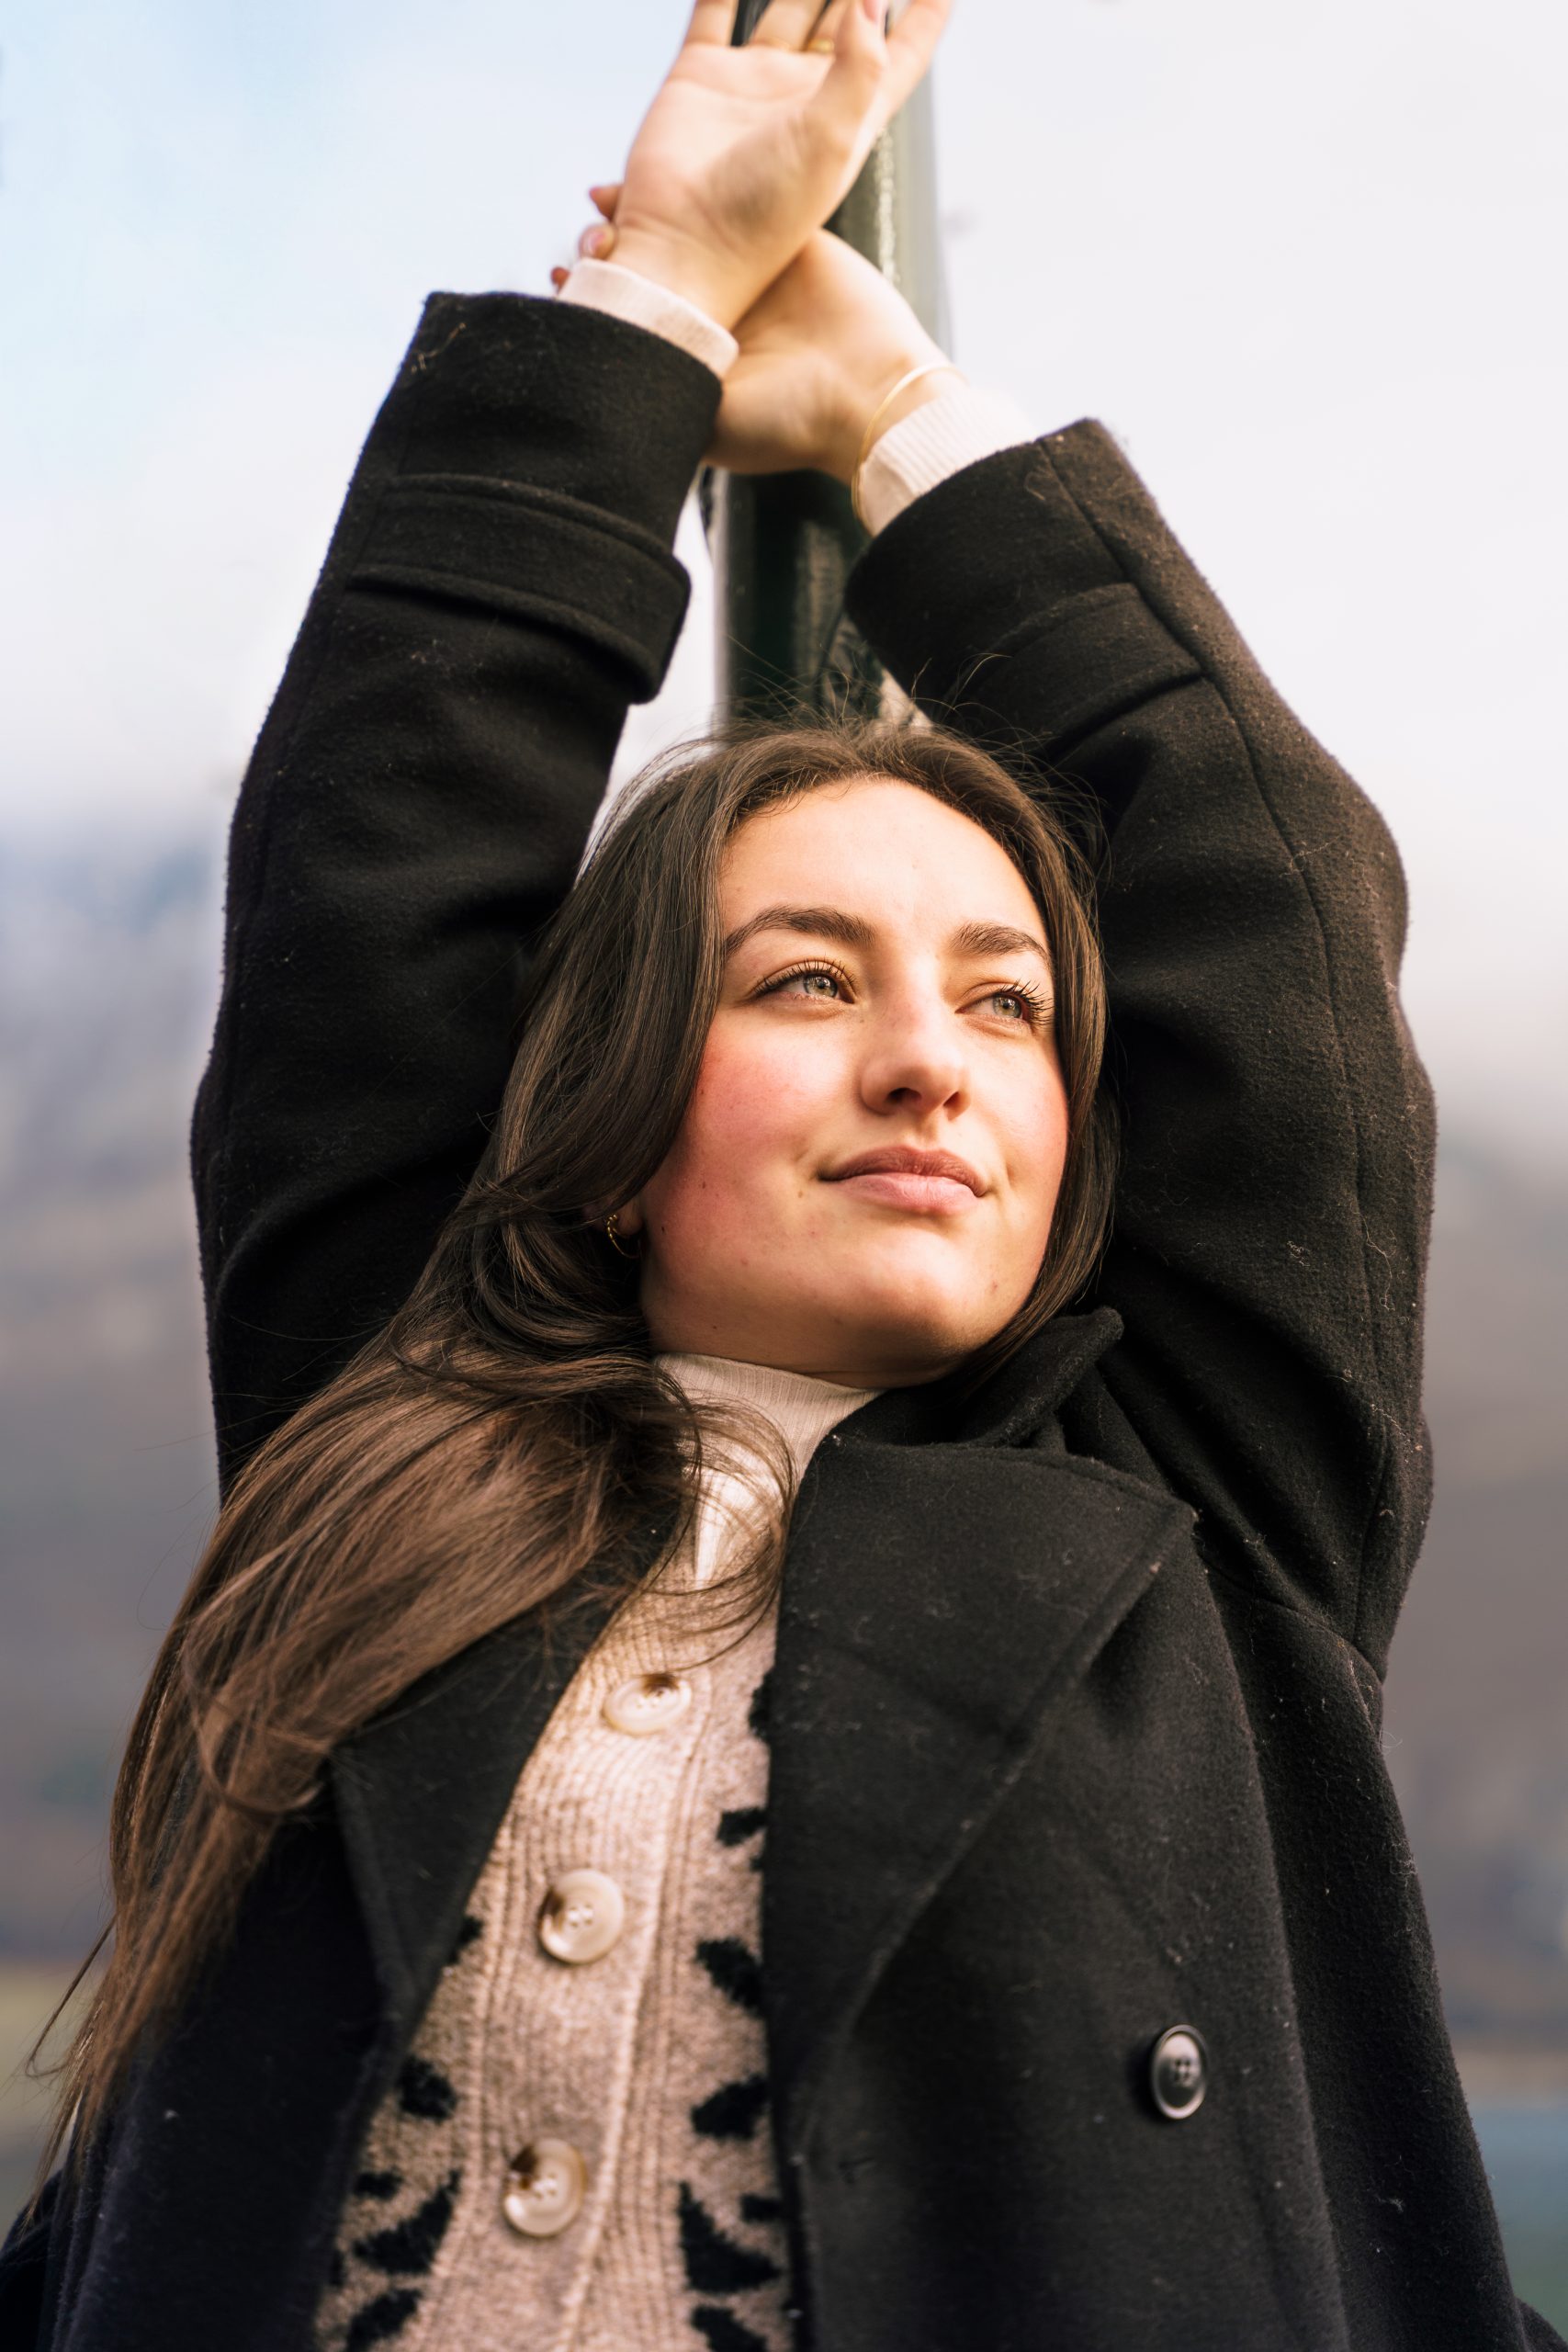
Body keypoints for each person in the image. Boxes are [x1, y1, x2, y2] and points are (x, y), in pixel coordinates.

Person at [0, 2, 1558, 2347]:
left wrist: (890, 420)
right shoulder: (390, 1454)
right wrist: (640, 298)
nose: (930, 1057)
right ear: (621, 1117)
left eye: (1010, 1002)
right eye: (806, 982)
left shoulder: (1201, 1533)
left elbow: (1270, 887)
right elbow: (370, 883)